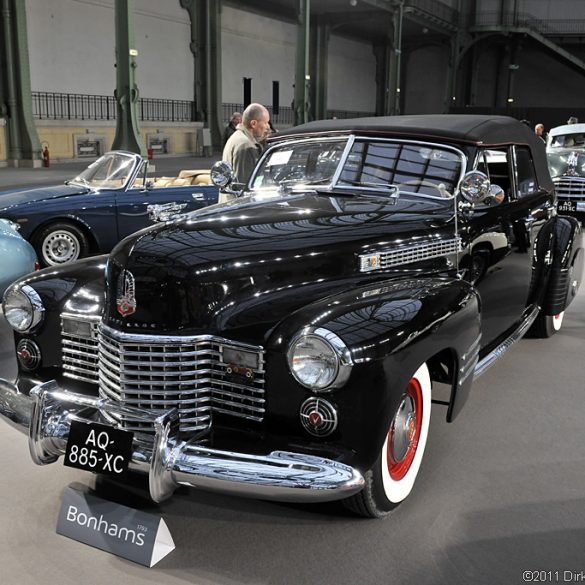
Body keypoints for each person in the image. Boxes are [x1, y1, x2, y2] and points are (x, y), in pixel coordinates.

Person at [222, 103, 270, 193]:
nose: (268, 126)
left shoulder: (237, 137)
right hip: (238, 203)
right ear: (253, 123)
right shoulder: (246, 145)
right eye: (265, 122)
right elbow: (245, 185)